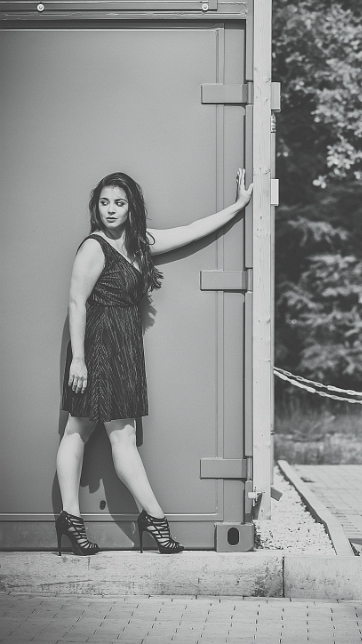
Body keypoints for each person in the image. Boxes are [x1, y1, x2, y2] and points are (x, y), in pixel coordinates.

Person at [56, 169, 253, 556]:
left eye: (119, 203)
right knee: (83, 430)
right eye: (104, 202)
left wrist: (238, 206)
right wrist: (78, 359)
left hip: (124, 347)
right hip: (96, 347)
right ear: (96, 207)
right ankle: (115, 517)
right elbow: (77, 303)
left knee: (104, 432)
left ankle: (120, 519)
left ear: (131, 208)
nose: (111, 210)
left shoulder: (139, 243)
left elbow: (191, 230)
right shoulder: (94, 247)